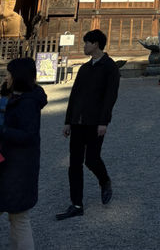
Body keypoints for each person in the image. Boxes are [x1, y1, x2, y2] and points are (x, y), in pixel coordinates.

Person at [56, 29, 120, 221]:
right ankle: (76, 204)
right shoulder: (84, 68)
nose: (84, 46)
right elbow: (74, 95)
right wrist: (68, 120)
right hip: (77, 121)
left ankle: (104, 180)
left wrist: (104, 122)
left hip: (95, 122)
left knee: (91, 159)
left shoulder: (110, 68)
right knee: (74, 163)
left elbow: (110, 97)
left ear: (96, 44)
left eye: (86, 43)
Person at [0, 57, 47, 250]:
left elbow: (28, 135)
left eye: (8, 73)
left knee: (19, 217)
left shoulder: (27, 103)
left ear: (17, 76)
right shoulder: (13, 96)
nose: (5, 76)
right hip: (8, 165)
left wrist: (1, 130)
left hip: (17, 168)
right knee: (17, 217)